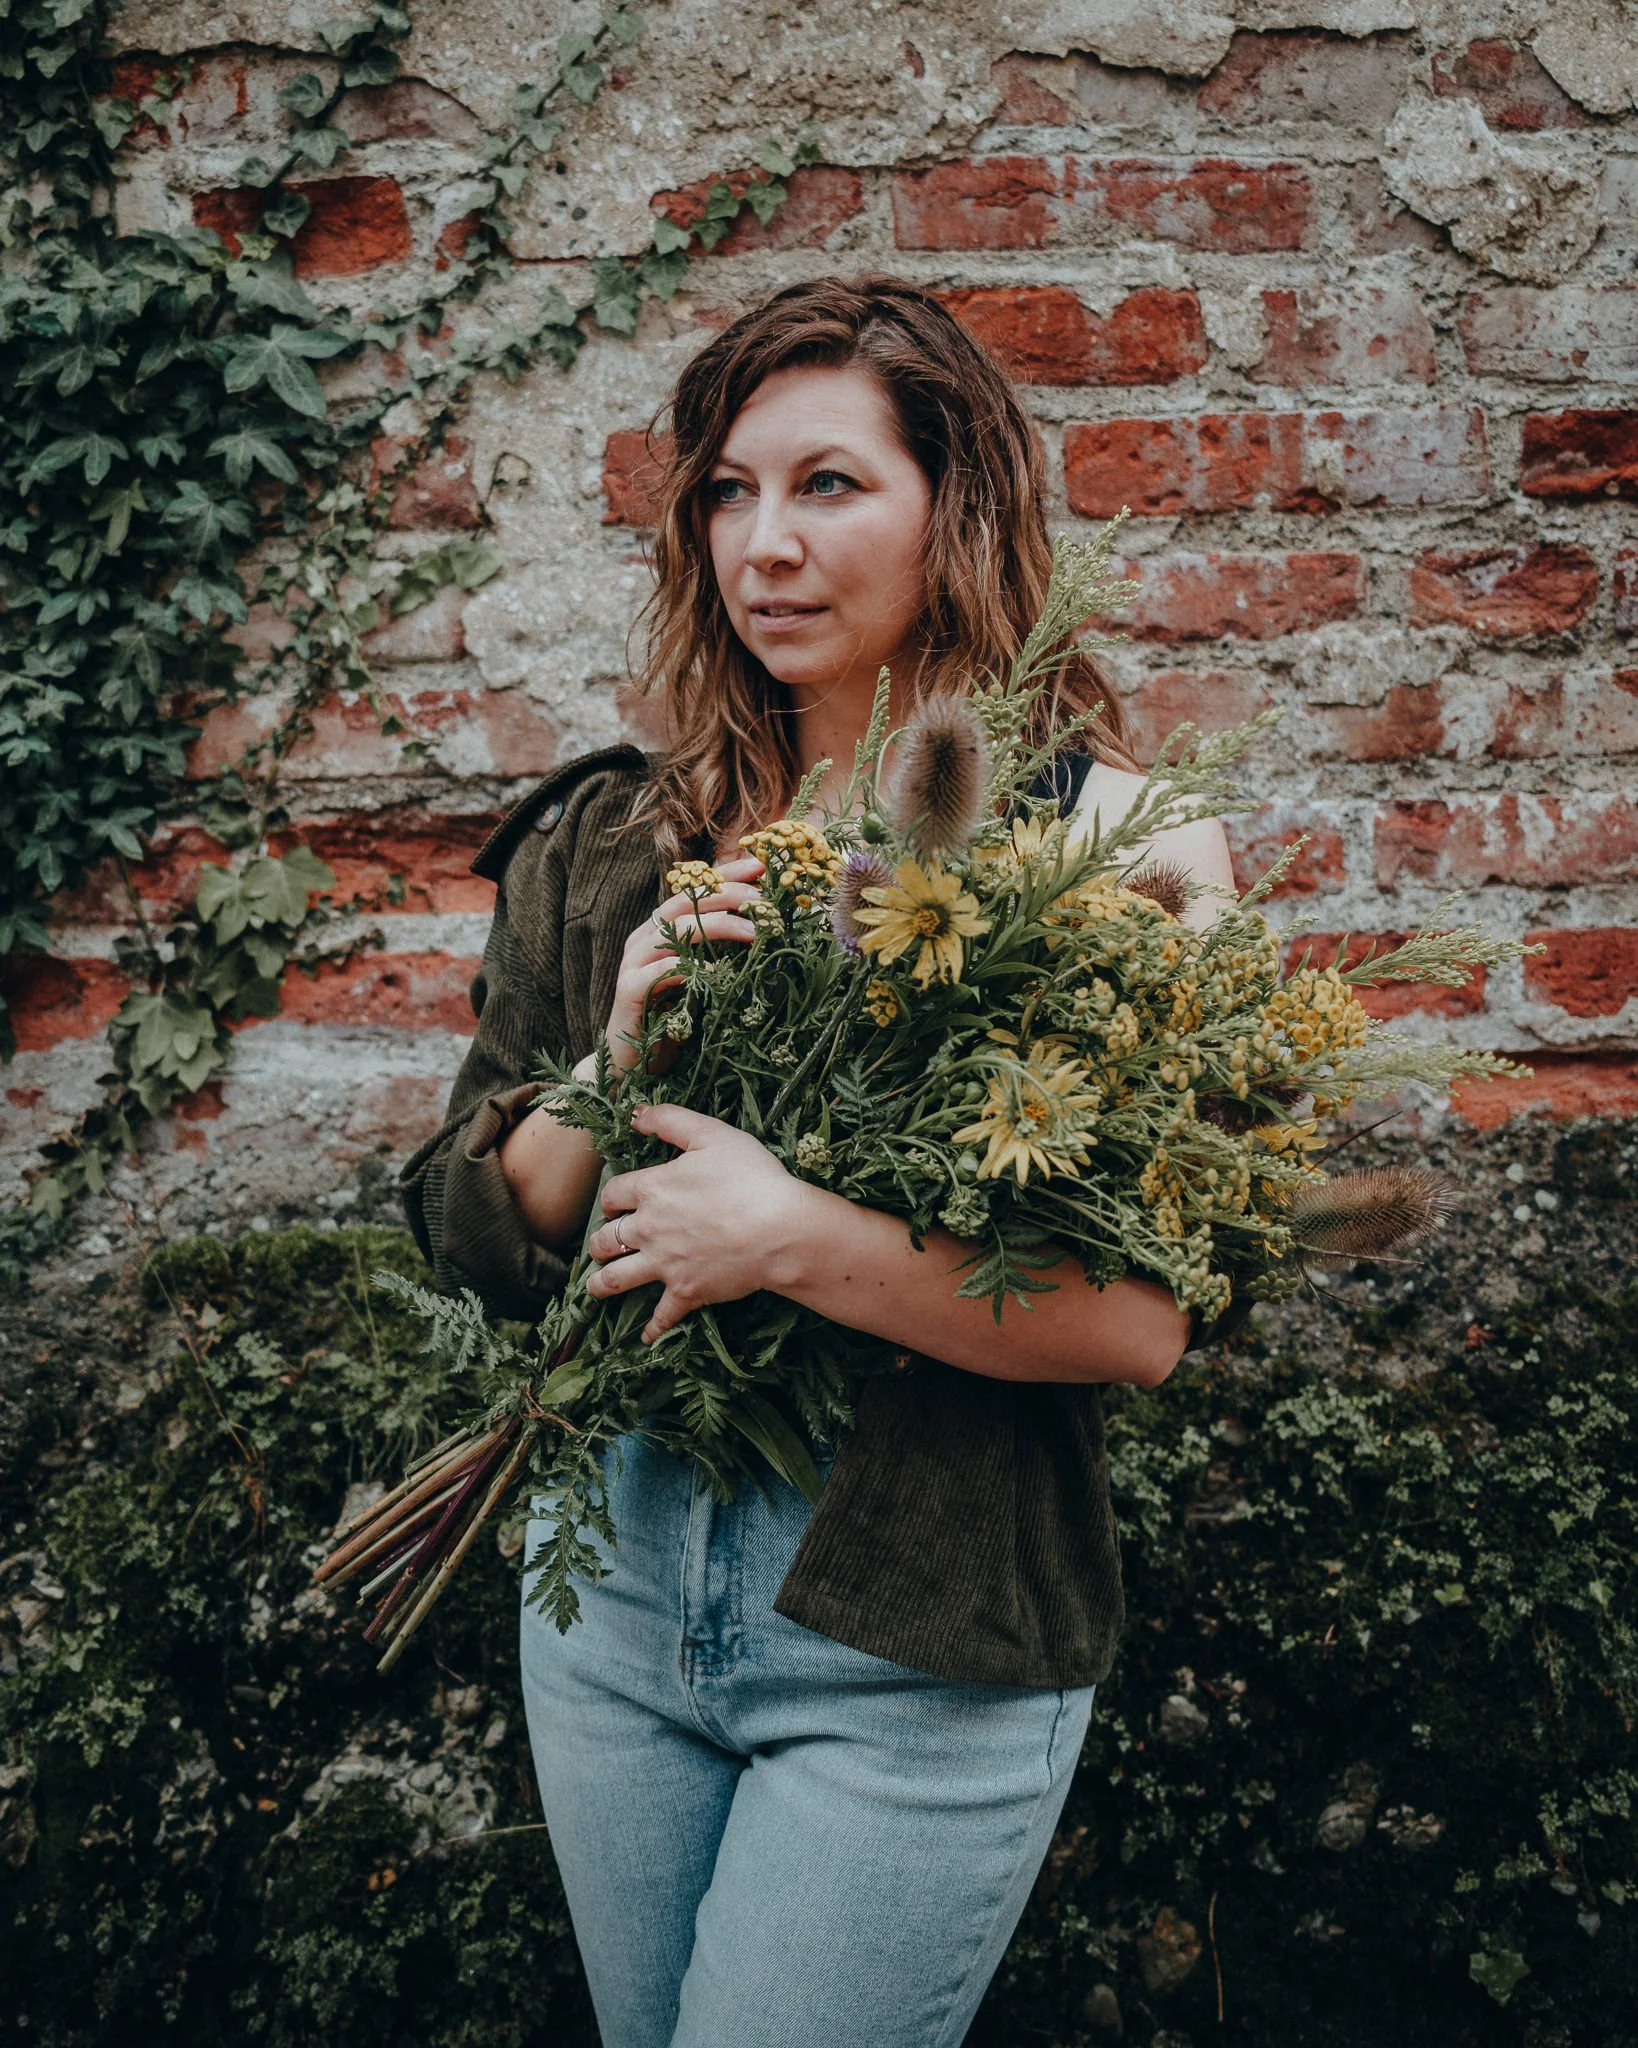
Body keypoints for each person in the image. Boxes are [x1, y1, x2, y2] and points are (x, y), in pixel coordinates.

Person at [401, 276, 1236, 2048]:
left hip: (911, 1639)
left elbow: (1136, 1323)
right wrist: (612, 1068)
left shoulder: (1117, 856)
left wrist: (783, 1233)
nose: (762, 545)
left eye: (828, 486)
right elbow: (474, 1231)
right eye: (724, 491)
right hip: (612, 1611)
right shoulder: (611, 840)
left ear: (962, 506)